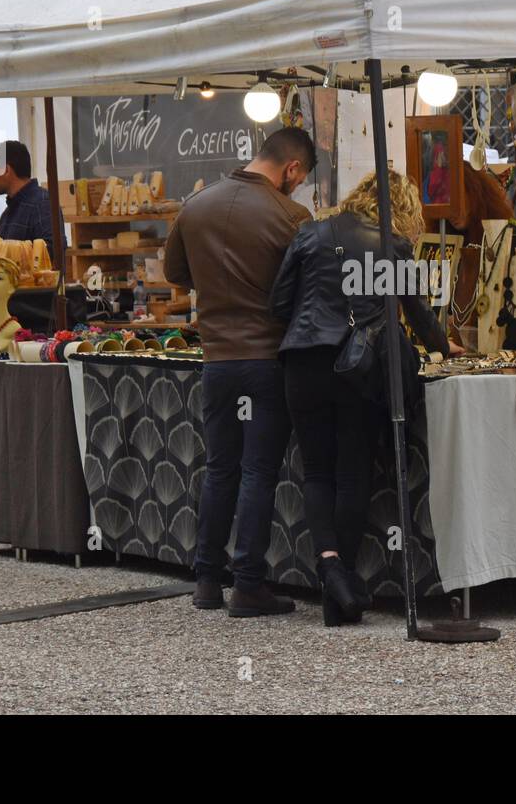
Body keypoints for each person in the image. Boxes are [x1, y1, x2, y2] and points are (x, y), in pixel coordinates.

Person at [271, 170, 460, 626]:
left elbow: (278, 304)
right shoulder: (393, 245)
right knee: (352, 470)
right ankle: (340, 595)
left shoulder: (310, 233)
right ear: (404, 207)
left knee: (316, 470)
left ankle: (331, 568)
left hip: (302, 362)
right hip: (357, 368)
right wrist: (444, 347)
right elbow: (417, 311)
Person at [164, 127, 315, 617]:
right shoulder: (291, 215)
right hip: (267, 361)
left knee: (220, 468)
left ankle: (207, 580)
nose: (298, 186)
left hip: (217, 360)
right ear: (292, 169)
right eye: (301, 177)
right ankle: (248, 585)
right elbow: (304, 286)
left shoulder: (196, 205)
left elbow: (175, 274)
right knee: (257, 471)